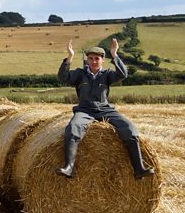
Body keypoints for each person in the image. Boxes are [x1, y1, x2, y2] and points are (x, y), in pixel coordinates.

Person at [56, 38, 155, 179]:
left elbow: (123, 74)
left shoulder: (107, 74)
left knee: (129, 128)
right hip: (85, 110)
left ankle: (139, 168)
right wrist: (70, 57)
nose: (93, 61)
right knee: (73, 128)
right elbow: (63, 77)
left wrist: (114, 54)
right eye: (90, 58)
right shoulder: (79, 74)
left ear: (103, 60)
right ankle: (69, 168)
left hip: (105, 109)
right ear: (87, 60)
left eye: (97, 58)